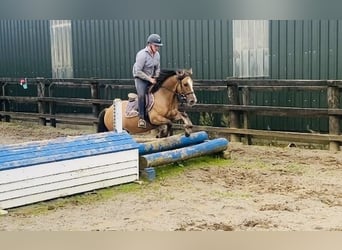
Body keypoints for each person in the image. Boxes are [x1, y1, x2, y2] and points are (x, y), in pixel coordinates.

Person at [132, 33, 163, 128]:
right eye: (156, 46)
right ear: (149, 44)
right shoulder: (142, 55)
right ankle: (141, 118)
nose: (157, 48)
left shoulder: (157, 55)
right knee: (142, 95)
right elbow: (138, 71)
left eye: (158, 46)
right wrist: (149, 79)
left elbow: (157, 68)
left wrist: (156, 77)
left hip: (151, 77)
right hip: (140, 77)